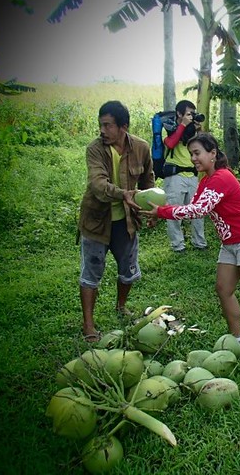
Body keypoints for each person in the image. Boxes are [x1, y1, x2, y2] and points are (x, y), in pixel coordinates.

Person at [142, 133, 240, 371]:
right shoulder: (206, 181)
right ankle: (236, 340)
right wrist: (161, 212)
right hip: (229, 242)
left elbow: (198, 210)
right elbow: (192, 207)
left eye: (197, 153)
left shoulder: (222, 177)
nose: (193, 158)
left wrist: (163, 212)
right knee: (223, 289)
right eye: (191, 154)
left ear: (213, 153)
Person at [78, 100, 154, 342]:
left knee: (128, 271)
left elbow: (148, 182)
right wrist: (124, 194)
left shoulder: (141, 147)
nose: (102, 130)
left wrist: (154, 210)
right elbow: (97, 184)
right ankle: (88, 324)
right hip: (97, 222)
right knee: (91, 273)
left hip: (126, 222)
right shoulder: (95, 149)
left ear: (124, 126)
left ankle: (121, 306)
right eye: (101, 125)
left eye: (108, 125)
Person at [161, 100, 207, 253]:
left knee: (198, 211)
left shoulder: (192, 130)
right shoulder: (169, 129)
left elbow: (203, 148)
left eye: (192, 114)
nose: (191, 117)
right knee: (174, 212)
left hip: (192, 175)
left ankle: (199, 243)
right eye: (188, 114)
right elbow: (171, 143)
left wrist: (199, 131)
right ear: (179, 114)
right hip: (175, 176)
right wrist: (182, 125)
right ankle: (178, 245)